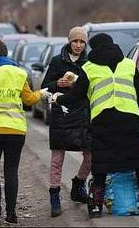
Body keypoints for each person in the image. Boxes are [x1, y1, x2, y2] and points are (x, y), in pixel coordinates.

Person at [53, 33, 139, 218]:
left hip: (103, 120)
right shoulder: (129, 64)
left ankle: (95, 207)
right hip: (129, 119)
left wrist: (58, 99)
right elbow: (137, 94)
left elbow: (76, 95)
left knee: (101, 164)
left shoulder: (89, 67)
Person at [0, 36, 50, 224]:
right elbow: (29, 100)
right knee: (12, 170)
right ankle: (12, 214)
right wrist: (43, 92)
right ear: (6, 54)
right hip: (15, 131)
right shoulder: (18, 73)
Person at [41, 26, 91, 217]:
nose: (78, 45)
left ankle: (78, 184)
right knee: (57, 160)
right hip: (61, 114)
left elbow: (92, 88)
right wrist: (57, 84)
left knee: (90, 156)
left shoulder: (89, 63)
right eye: (75, 41)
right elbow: (45, 87)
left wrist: (77, 85)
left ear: (85, 44)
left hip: (83, 115)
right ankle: (54, 196)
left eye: (81, 42)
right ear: (69, 42)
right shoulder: (57, 61)